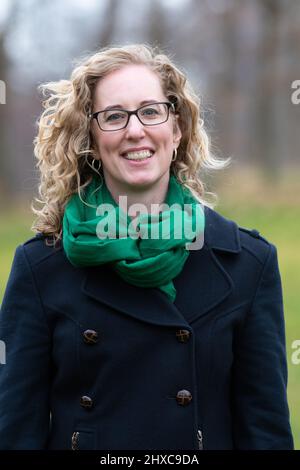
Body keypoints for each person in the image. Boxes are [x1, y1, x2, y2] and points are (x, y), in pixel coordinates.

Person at [0, 44, 294, 450]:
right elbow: (15, 432)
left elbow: (266, 434)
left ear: (177, 130)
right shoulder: (41, 267)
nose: (134, 130)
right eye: (114, 116)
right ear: (90, 138)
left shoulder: (248, 263)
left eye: (151, 111)